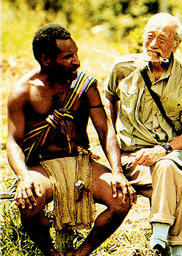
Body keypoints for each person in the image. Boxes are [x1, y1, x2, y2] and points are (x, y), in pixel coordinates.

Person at [6, 24, 135, 256]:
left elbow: (106, 131)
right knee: (29, 203)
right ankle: (50, 252)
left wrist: (117, 171)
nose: (77, 61)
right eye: (68, 56)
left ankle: (82, 253)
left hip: (81, 162)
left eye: (76, 53)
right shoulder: (23, 91)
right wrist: (24, 177)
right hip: (42, 167)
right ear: (46, 59)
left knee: (122, 199)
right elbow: (14, 141)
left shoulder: (85, 86)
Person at [104, 13, 182, 256]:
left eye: (162, 39)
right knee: (176, 180)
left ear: (176, 44)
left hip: (173, 154)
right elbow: (108, 111)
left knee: (167, 166)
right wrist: (116, 159)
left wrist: (161, 150)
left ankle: (160, 234)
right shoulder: (122, 69)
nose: (153, 44)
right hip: (134, 159)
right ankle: (178, 248)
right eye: (149, 36)